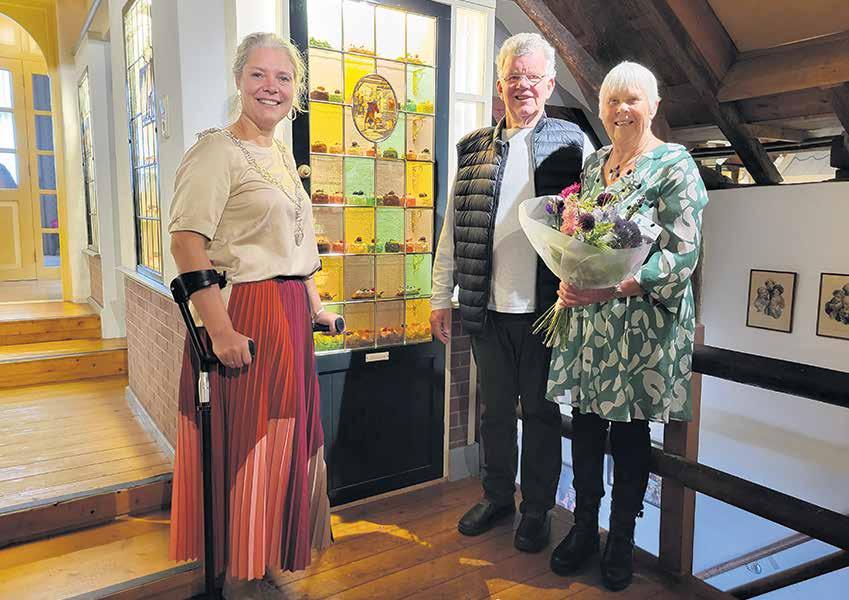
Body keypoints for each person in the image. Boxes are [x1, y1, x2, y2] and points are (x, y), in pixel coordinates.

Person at [168, 32, 339, 600]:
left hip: (289, 316)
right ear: (239, 80)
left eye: (283, 77)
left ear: (296, 89)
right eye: (259, 75)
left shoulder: (281, 155)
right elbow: (187, 243)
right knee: (250, 441)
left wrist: (315, 307)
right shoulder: (216, 151)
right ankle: (234, 578)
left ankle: (259, 557)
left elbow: (293, 246)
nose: (272, 87)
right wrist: (219, 331)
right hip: (245, 314)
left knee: (284, 439)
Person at [546, 61, 708, 591]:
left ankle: (620, 537)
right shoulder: (595, 164)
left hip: (640, 326)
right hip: (591, 322)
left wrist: (612, 288)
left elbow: (682, 255)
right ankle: (584, 528)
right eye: (612, 101)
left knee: (631, 431)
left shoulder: (675, 165)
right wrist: (570, 277)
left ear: (653, 106)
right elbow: (582, 238)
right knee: (587, 423)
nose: (621, 110)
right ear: (600, 109)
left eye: (631, 99)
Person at [430, 32, 593, 553]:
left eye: (533, 77)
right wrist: (440, 295)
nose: (523, 86)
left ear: (550, 83)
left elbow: (594, 222)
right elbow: (453, 227)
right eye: (513, 77)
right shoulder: (473, 148)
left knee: (541, 414)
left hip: (545, 311)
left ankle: (538, 508)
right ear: (499, 84)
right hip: (487, 307)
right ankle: (498, 495)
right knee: (495, 412)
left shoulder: (574, 143)